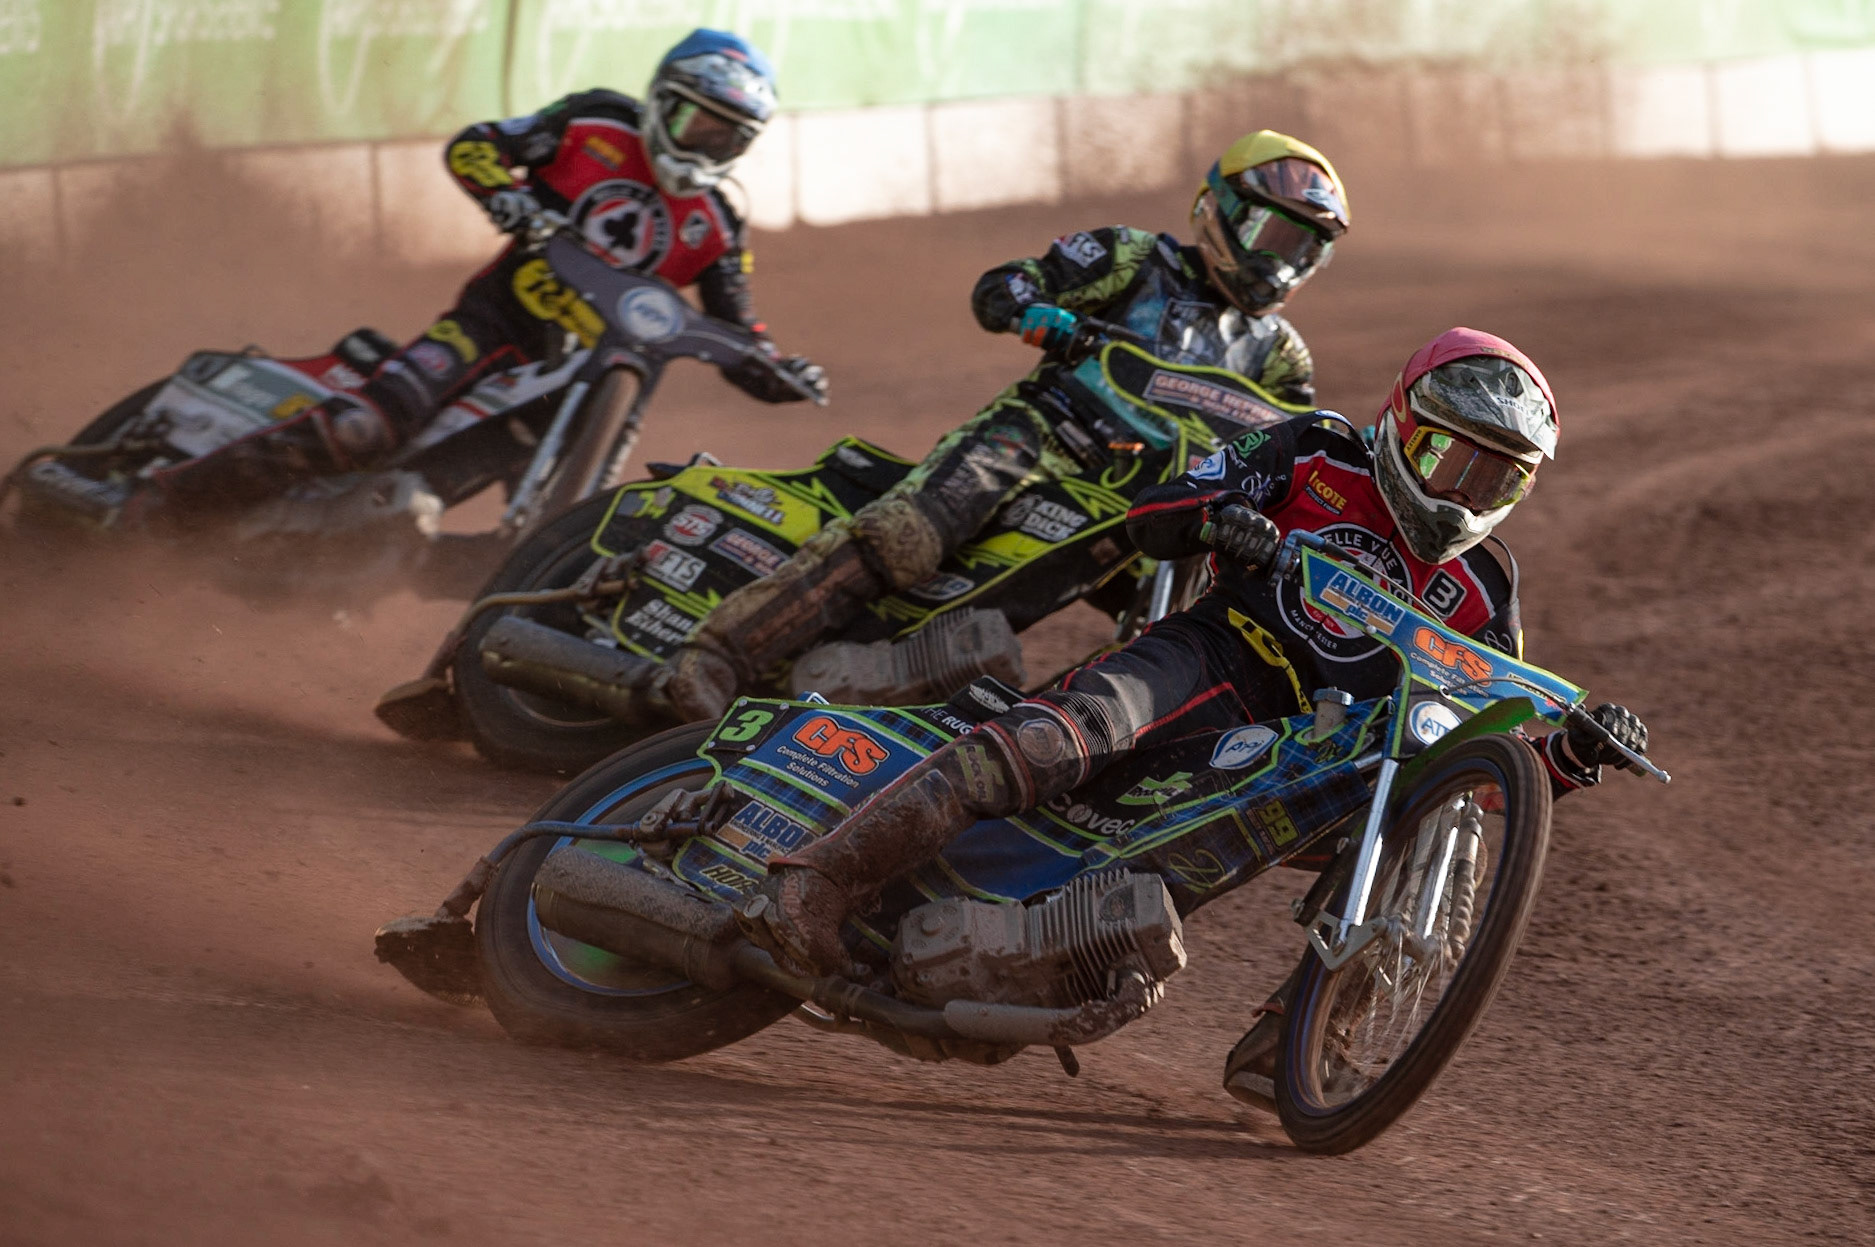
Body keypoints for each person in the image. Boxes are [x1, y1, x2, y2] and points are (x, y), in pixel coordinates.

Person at [737, 326, 1650, 1107]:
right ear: (1402, 425)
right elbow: (1157, 511)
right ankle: (813, 879)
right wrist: (1224, 516)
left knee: (1432, 850)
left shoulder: (1486, 585)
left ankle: (1300, 1037)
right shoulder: (1315, 451)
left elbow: (1474, 758)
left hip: (1319, 752)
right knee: (1050, 740)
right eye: (1450, 459)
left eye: (1496, 479)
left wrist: (1563, 758)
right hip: (1212, 657)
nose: (1463, 492)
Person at [661, 130, 1351, 720]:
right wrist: (1041, 312)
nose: (1281, 261)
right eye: (1273, 233)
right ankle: (716, 655)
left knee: (1173, 624)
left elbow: (1285, 452)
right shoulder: (1137, 259)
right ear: (1219, 209)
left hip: (1135, 503)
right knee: (903, 539)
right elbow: (1004, 285)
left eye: (1304, 249)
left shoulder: (1280, 354)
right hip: (1039, 435)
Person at [142, 28, 824, 522]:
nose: (706, 142)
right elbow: (477, 145)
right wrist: (506, 195)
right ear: (659, 99)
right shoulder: (596, 121)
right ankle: (164, 501)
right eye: (696, 120)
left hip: (582, 386)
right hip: (491, 325)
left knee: (557, 531)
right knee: (363, 430)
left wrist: (779, 370)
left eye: (727, 135)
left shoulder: (719, 221)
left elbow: (738, 330)